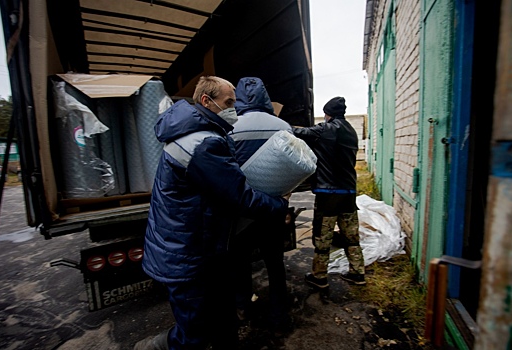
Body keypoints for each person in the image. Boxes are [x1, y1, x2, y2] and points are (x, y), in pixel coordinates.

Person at [136, 76, 290, 350]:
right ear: (207, 101)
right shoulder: (204, 143)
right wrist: (279, 204)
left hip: (197, 246)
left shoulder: (198, 131)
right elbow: (239, 195)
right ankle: (160, 346)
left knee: (220, 318)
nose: (234, 108)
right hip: (187, 252)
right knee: (195, 333)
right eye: (229, 102)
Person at [229, 77, 293, 333]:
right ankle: (279, 313)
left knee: (240, 262)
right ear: (266, 97)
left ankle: (243, 306)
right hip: (273, 210)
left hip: (241, 211)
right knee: (275, 263)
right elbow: (293, 166)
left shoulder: (228, 126)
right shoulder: (283, 125)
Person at [292, 96, 366, 289]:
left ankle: (319, 276)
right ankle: (358, 273)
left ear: (328, 114)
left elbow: (298, 132)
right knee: (351, 236)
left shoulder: (326, 129)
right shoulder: (351, 131)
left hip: (329, 193)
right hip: (349, 191)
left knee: (323, 236)